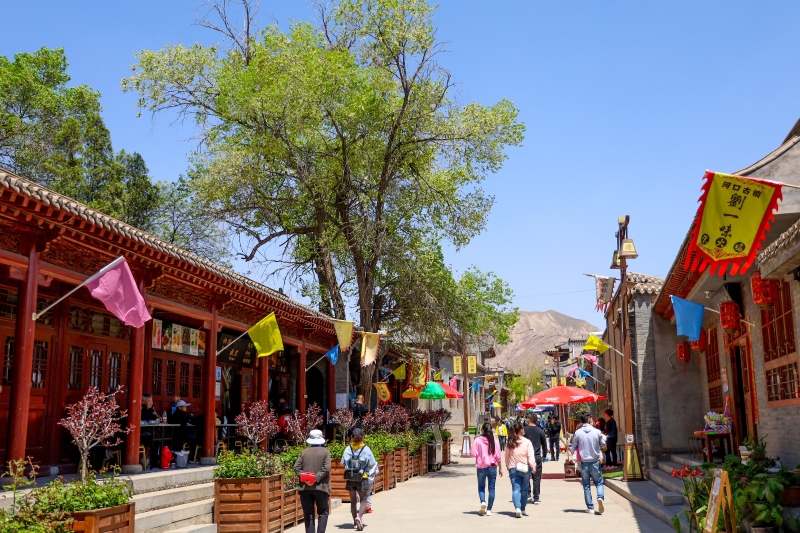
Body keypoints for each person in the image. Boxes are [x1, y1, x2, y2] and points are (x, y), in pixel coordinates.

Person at [294, 429, 331, 533]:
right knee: (323, 512)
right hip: (321, 487)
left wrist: (306, 478)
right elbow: (326, 468)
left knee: (308, 514)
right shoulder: (325, 452)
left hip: (305, 488)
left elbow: (296, 467)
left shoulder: (304, 452)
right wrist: (315, 478)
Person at [570, 414, 607, 514]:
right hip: (595, 461)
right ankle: (600, 497)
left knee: (586, 485)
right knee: (599, 482)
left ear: (581, 421)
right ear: (589, 419)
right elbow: (603, 444)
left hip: (584, 462)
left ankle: (590, 507)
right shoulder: (597, 432)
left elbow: (573, 447)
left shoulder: (578, 432)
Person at [341, 428, 377, 531]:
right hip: (362, 478)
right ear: (363, 436)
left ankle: (355, 522)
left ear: (351, 437)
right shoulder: (366, 449)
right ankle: (359, 517)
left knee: (353, 501)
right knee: (363, 499)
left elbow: (343, 463)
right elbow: (372, 463)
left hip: (351, 478)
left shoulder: (348, 449)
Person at [471, 421, 503, 516]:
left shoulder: (477, 440)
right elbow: (498, 457)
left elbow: (473, 454)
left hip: (481, 467)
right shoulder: (495, 441)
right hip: (492, 466)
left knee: (481, 486)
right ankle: (489, 510)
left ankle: (483, 502)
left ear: (483, 430)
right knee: (491, 488)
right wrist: (501, 468)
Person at [504, 422, 536, 518]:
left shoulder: (510, 442)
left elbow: (507, 456)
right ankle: (523, 508)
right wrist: (533, 466)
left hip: (513, 467)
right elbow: (530, 456)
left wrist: (507, 465)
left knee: (516, 489)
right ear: (521, 430)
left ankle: (517, 508)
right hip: (525, 468)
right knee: (524, 490)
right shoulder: (527, 442)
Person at [523, 413, 547, 504]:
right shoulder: (540, 431)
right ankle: (536, 497)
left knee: (526, 476)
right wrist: (544, 455)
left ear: (529, 420)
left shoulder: (524, 430)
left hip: (526, 457)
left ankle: (528, 494)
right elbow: (544, 445)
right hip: (537, 456)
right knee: (537, 477)